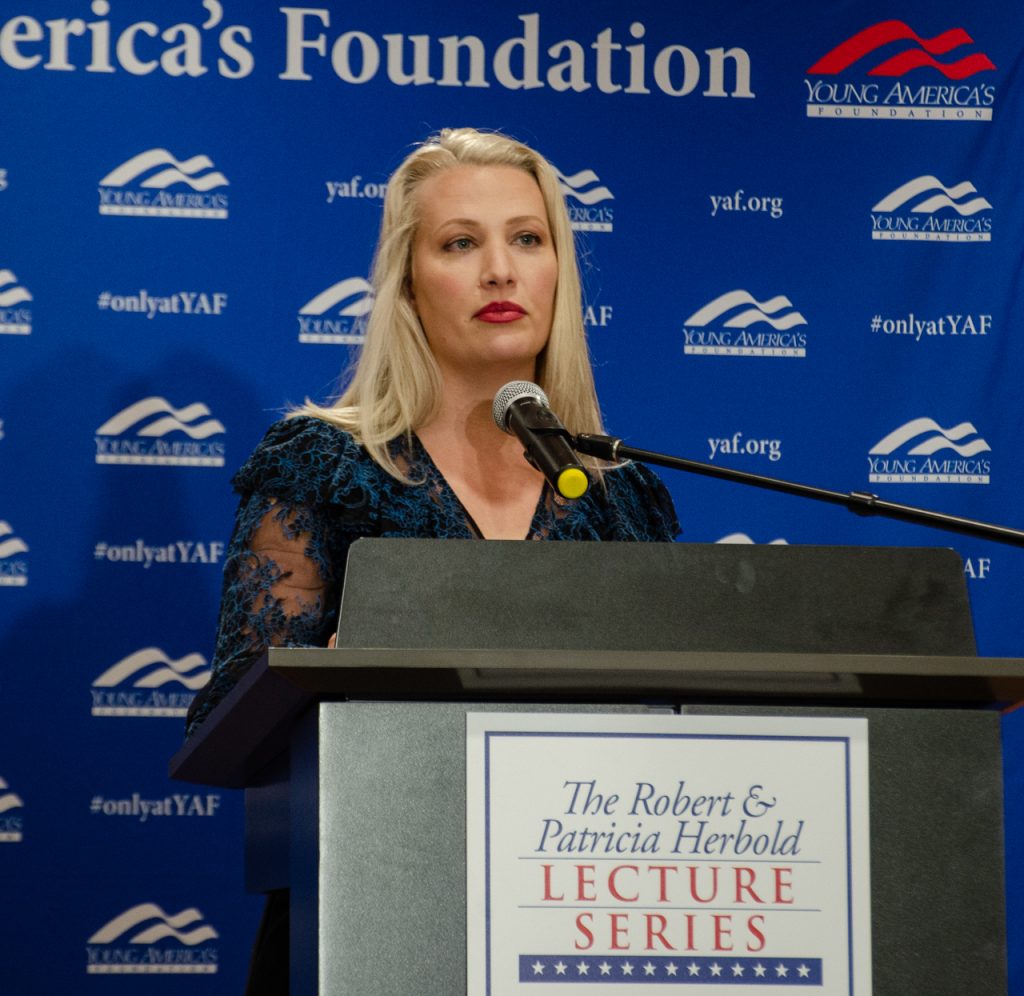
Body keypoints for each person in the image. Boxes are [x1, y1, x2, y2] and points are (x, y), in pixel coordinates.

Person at [183, 126, 679, 992]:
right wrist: (322, 681)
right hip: (371, 914)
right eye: (460, 244)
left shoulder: (621, 495)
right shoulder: (322, 465)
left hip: (580, 923)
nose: (501, 271)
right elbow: (231, 723)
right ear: (409, 285)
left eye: (528, 238)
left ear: (559, 270)